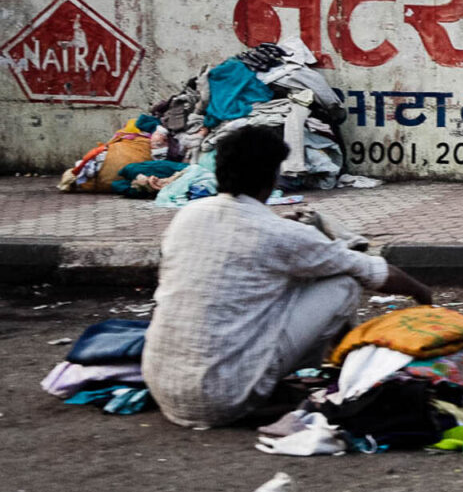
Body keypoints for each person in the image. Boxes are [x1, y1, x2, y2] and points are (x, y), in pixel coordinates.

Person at [142, 126, 432, 429]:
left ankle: (326, 367)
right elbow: (371, 271)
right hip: (225, 397)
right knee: (343, 282)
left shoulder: (188, 216)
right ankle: (342, 370)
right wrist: (422, 293)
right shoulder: (280, 233)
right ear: (272, 176)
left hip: (165, 389)